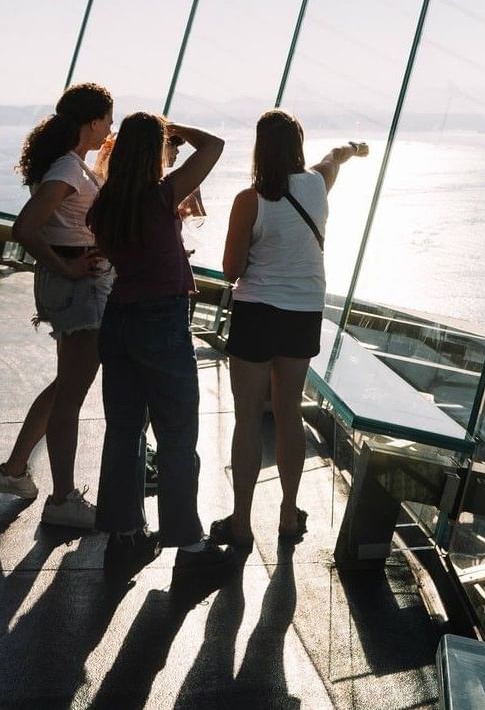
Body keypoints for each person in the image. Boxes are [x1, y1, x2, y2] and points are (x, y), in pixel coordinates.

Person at [213, 110, 368, 549]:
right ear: (298, 144)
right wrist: (354, 150)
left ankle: (241, 522)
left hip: (257, 312)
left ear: (260, 149)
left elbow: (229, 270)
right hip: (303, 313)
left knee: (247, 418)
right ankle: (287, 513)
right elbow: (334, 156)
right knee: (288, 414)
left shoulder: (251, 199)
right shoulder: (318, 183)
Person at [87, 113, 230, 578]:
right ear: (154, 152)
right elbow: (214, 145)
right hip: (160, 322)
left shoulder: (107, 204)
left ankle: (124, 539)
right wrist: (175, 129)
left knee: (124, 431)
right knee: (175, 433)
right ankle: (188, 544)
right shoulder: (161, 194)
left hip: (119, 318)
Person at [0, 83, 114, 528]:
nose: (110, 126)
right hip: (77, 287)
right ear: (90, 122)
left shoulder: (70, 164)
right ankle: (62, 499)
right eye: (107, 118)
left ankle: (14, 469)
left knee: (64, 385)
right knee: (71, 394)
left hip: (71, 284)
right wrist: (66, 269)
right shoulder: (68, 168)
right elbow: (28, 227)